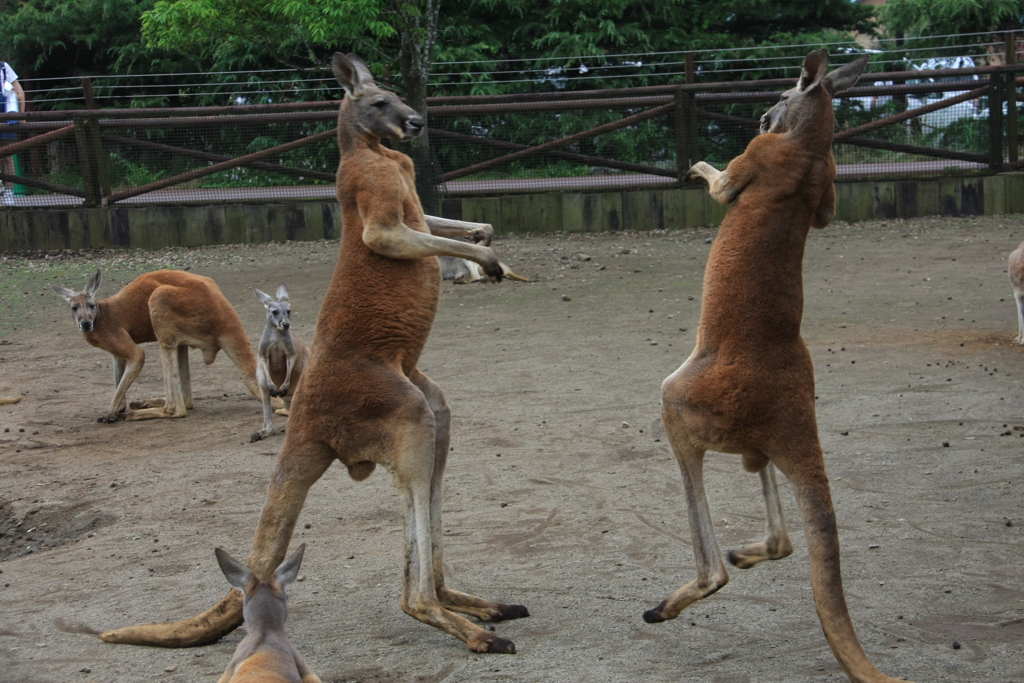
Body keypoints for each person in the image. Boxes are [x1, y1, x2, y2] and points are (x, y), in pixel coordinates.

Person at [1, 60, 25, 205]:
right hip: (7, 118)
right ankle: (7, 191)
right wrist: (21, 116)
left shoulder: (3, 67)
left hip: (6, 117)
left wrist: (21, 117)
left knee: (7, 156)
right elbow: (20, 93)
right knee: (7, 157)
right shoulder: (3, 66)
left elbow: (20, 94)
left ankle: (8, 192)